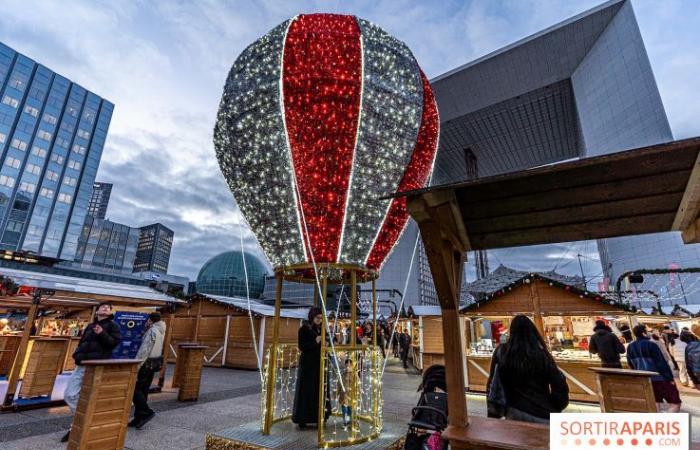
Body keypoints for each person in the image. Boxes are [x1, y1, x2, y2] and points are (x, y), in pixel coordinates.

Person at [486, 315, 569, 424]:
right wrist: (555, 405)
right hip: (544, 413)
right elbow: (558, 381)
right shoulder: (541, 352)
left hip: (515, 412)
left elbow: (493, 383)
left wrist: (494, 413)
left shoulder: (503, 351)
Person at [62, 302, 121, 442]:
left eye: (108, 308)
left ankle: (76, 426)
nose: (106, 308)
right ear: (97, 311)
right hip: (82, 364)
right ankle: (81, 421)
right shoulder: (89, 326)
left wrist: (102, 334)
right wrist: (77, 355)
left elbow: (113, 344)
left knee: (89, 396)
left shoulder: (113, 326)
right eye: (103, 307)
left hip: (96, 366)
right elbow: (82, 343)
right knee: (69, 395)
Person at [627, 325, 681, 412]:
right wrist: (670, 378)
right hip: (659, 378)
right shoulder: (651, 345)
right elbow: (661, 363)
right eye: (647, 331)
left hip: (644, 380)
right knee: (675, 402)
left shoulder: (630, 347)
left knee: (655, 402)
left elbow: (631, 364)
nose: (649, 333)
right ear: (643, 333)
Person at [129, 311, 166, 429]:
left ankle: (146, 412)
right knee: (143, 390)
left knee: (134, 389)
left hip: (145, 364)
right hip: (153, 364)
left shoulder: (152, 331)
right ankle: (139, 417)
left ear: (150, 320)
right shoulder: (161, 330)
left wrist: (136, 365)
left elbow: (144, 350)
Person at [292, 307, 328, 429]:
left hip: (319, 363)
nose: (319, 320)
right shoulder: (304, 329)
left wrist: (326, 343)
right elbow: (302, 346)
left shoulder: (322, 329)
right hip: (308, 365)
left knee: (318, 390)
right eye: (318, 317)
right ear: (312, 316)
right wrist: (315, 342)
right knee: (307, 391)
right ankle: (303, 418)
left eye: (321, 318)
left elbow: (326, 341)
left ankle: (319, 417)